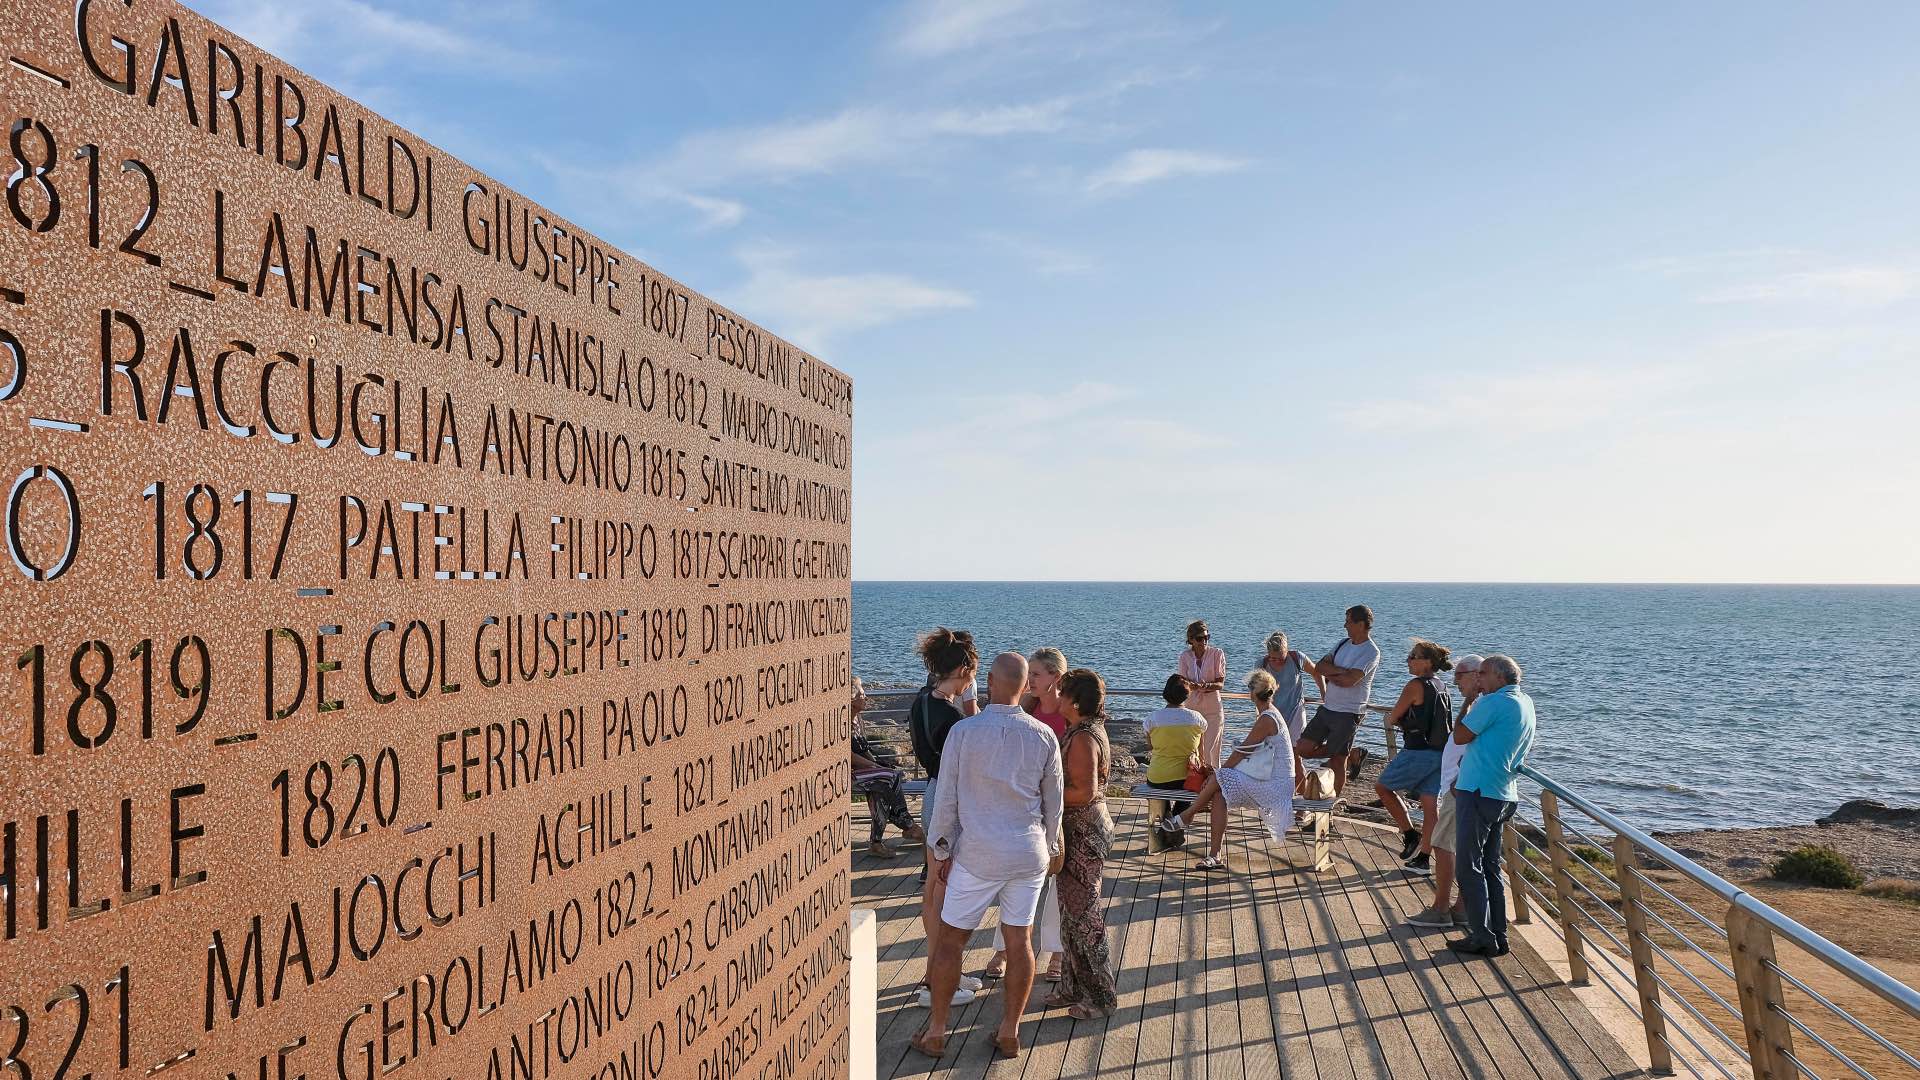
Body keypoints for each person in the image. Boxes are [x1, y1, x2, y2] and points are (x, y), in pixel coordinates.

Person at [914, 653, 1064, 1061]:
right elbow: (1053, 804)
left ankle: (937, 1031)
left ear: (992, 683)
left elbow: (947, 798)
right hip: (1027, 851)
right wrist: (1050, 846)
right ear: (1024, 686)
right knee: (1020, 941)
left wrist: (940, 849)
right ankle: (1010, 1031)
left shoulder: (964, 732)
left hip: (978, 852)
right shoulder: (1043, 736)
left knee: (951, 940)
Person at [907, 628, 985, 1007]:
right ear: (964, 670)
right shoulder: (954, 718)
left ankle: (940, 973)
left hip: (932, 793)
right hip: (948, 803)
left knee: (932, 891)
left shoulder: (922, 701)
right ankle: (937, 984)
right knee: (944, 893)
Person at [1153, 669, 1296, 870]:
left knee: (1221, 778)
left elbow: (1242, 752)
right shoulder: (1268, 713)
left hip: (1276, 784)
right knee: (1219, 794)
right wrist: (1219, 775)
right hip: (1270, 778)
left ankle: (1188, 815)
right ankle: (1215, 855)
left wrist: (1219, 774)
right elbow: (1247, 752)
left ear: (1252, 693)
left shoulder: (1267, 718)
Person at [988, 647, 1070, 982]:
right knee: (1014, 882)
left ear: (1056, 677)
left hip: (1063, 808)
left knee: (1059, 883)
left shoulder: (1069, 714)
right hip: (1025, 809)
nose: (1029, 680)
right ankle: (1002, 949)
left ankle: (1057, 952)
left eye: (1036, 674)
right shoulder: (1025, 710)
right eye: (1029, 674)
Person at [1448, 654, 1536, 957]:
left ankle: (1482, 936)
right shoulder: (1524, 702)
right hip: (1503, 793)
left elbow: (1460, 735)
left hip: (1479, 793)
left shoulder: (1493, 702)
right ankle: (1498, 934)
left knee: (1467, 867)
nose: (1478, 679)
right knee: (1490, 866)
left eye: (1482, 674)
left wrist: (1468, 700)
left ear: (1500, 677)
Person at [1045, 668, 1119, 1019]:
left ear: (1075, 701)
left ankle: (1102, 997)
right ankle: (1072, 986)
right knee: (1070, 914)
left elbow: (1085, 791)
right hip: (1079, 830)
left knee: (1085, 916)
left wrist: (1045, 798)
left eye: (1062, 693)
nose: (1057, 698)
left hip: (1084, 833)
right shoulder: (1082, 730)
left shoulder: (1084, 738)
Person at [1408, 655, 1483, 929]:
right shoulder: (1476, 704)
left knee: (1443, 845)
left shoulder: (1485, 705)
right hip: (1458, 785)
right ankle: (1461, 908)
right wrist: (1467, 701)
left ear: (1477, 675)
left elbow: (1476, 745)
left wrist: (1460, 777)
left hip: (1460, 787)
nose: (1456, 680)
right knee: (1460, 847)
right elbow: (1459, 734)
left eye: (1460, 675)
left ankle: (1441, 908)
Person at [1373, 640, 1456, 875]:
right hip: (1440, 753)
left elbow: (1392, 718)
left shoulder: (1415, 686)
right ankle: (1423, 858)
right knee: (1430, 805)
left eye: (1413, 656)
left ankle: (1410, 834)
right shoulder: (1441, 685)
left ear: (1427, 662)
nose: (1408, 660)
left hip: (1418, 751)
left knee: (1382, 787)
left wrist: (1403, 720)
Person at [1296, 605, 1381, 802]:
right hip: (1328, 708)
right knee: (1302, 748)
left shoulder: (1371, 651)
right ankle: (1354, 754)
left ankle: (1332, 805)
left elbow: (1349, 681)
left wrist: (1334, 673)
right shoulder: (1342, 643)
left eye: (1348, 622)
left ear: (1361, 624)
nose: (1345, 625)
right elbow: (1319, 667)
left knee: (1337, 760)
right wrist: (1342, 672)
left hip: (1349, 713)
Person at [851, 678, 924, 857]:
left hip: (863, 772)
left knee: (881, 788)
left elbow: (864, 749)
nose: (866, 697)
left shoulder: (857, 719)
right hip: (848, 774)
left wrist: (877, 766)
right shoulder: (840, 721)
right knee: (890, 777)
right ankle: (907, 824)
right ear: (851, 699)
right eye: (862, 694)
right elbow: (848, 755)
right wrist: (874, 767)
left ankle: (876, 844)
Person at [1258, 631, 1322, 788]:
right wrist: (1261, 716)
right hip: (1272, 716)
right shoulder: (1262, 664)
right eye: (1273, 658)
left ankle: (1302, 794)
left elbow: (1316, 672)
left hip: (1295, 713)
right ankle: (1282, 793)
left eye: (1281, 658)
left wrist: (1324, 695)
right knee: (1273, 756)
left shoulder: (1296, 658)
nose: (1277, 662)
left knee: (1295, 756)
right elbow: (1256, 692)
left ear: (1287, 651)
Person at [1142, 675, 1208, 796]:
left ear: (1166, 693)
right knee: (1187, 794)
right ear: (1187, 695)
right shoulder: (1197, 718)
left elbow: (1150, 746)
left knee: (1160, 792)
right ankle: (1181, 808)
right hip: (1189, 778)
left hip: (1158, 777)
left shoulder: (1152, 719)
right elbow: (1201, 750)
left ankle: (1164, 807)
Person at [1177, 620, 1228, 766]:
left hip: (1213, 709)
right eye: (1200, 638)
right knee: (1193, 751)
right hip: (1192, 708)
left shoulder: (1217, 654)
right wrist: (1192, 686)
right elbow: (1182, 681)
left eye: (1207, 637)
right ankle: (1196, 779)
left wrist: (1205, 686)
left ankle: (1213, 778)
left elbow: (1220, 683)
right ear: (1191, 640)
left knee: (1211, 752)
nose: (1204, 641)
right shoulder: (1185, 657)